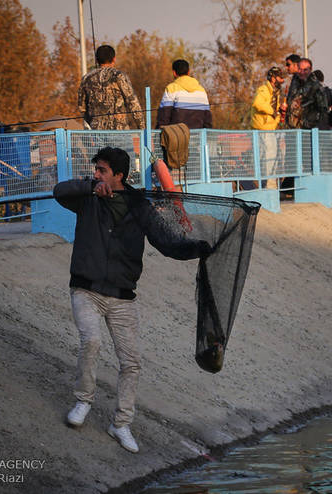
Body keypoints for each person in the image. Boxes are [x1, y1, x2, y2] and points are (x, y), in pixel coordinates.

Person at [54, 147, 209, 453]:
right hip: (86, 289)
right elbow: (59, 191)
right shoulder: (87, 197)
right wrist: (90, 186)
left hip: (123, 297)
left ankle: (121, 424)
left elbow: (165, 241)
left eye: (102, 171)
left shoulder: (139, 205)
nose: (97, 173)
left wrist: (196, 249)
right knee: (92, 341)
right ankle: (83, 402)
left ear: (119, 176)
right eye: (96, 169)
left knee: (131, 363)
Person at [78, 45, 145, 130]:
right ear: (114, 59)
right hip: (119, 131)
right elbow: (133, 103)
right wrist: (142, 128)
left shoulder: (86, 78)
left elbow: (82, 108)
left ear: (96, 60)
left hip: (97, 132)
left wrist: (93, 122)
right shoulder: (119, 76)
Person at [251, 66, 285, 189]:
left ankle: (267, 186)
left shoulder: (275, 92)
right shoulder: (264, 90)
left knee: (270, 158)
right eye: (280, 78)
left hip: (270, 129)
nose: (282, 80)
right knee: (268, 158)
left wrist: (278, 115)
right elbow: (257, 103)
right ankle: (268, 187)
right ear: (273, 78)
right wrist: (273, 112)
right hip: (263, 129)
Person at [156, 59, 212, 129]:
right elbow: (207, 119)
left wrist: (159, 132)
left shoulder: (171, 88)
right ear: (188, 72)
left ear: (174, 73)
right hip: (198, 137)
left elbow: (164, 115)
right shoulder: (202, 90)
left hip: (177, 137)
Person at [284, 58, 330, 130]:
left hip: (308, 130)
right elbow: (290, 101)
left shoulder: (316, 87)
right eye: (300, 69)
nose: (302, 72)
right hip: (291, 128)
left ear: (311, 69)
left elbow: (323, 110)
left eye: (305, 70)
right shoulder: (294, 82)